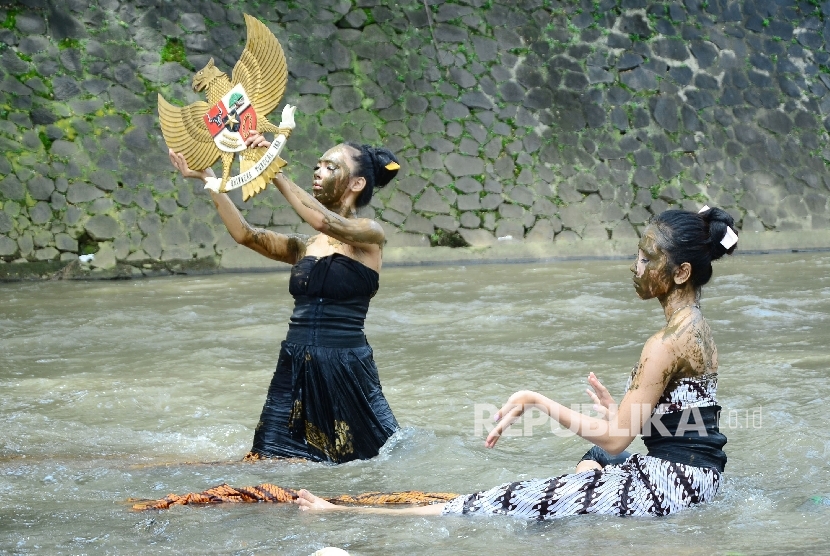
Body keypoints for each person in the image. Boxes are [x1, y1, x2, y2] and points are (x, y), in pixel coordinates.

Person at [294, 207, 737, 517]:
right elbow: (691, 423)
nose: (634, 266)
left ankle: (338, 511)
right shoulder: (698, 328)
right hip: (703, 477)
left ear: (680, 272)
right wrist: (619, 414)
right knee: (591, 460)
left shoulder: (663, 342)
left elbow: (619, 441)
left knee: (502, 502)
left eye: (646, 258)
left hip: (675, 484)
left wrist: (536, 400)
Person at [168, 133, 401, 463]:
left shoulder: (369, 234)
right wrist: (208, 179)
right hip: (295, 366)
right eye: (317, 165)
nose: (318, 171)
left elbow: (325, 220)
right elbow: (246, 235)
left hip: (344, 367)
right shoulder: (305, 246)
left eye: (330, 166)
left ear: (357, 183)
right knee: (270, 465)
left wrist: (272, 168)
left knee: (365, 463)